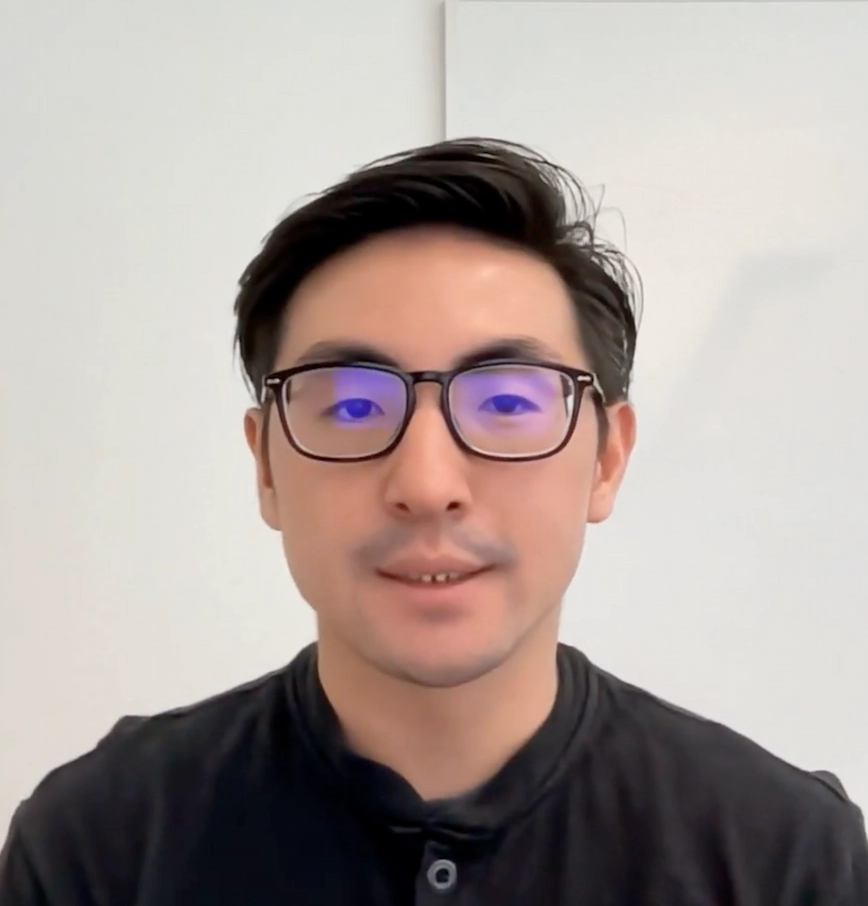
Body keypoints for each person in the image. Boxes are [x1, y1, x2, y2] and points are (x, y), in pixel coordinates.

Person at [1, 140, 865, 905]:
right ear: (266, 465)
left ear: (605, 459)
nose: (425, 483)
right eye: (348, 406)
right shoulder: (101, 846)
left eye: (505, 401)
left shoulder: (784, 858)